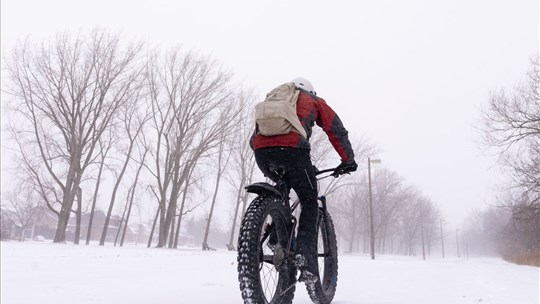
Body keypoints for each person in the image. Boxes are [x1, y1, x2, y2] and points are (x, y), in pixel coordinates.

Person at [250, 77, 357, 285]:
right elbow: (335, 129)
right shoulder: (313, 100)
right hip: (294, 152)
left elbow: (256, 135)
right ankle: (306, 258)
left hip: (262, 153)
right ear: (310, 91)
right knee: (309, 201)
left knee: (283, 190)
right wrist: (348, 160)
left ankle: (276, 238)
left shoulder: (274, 100)